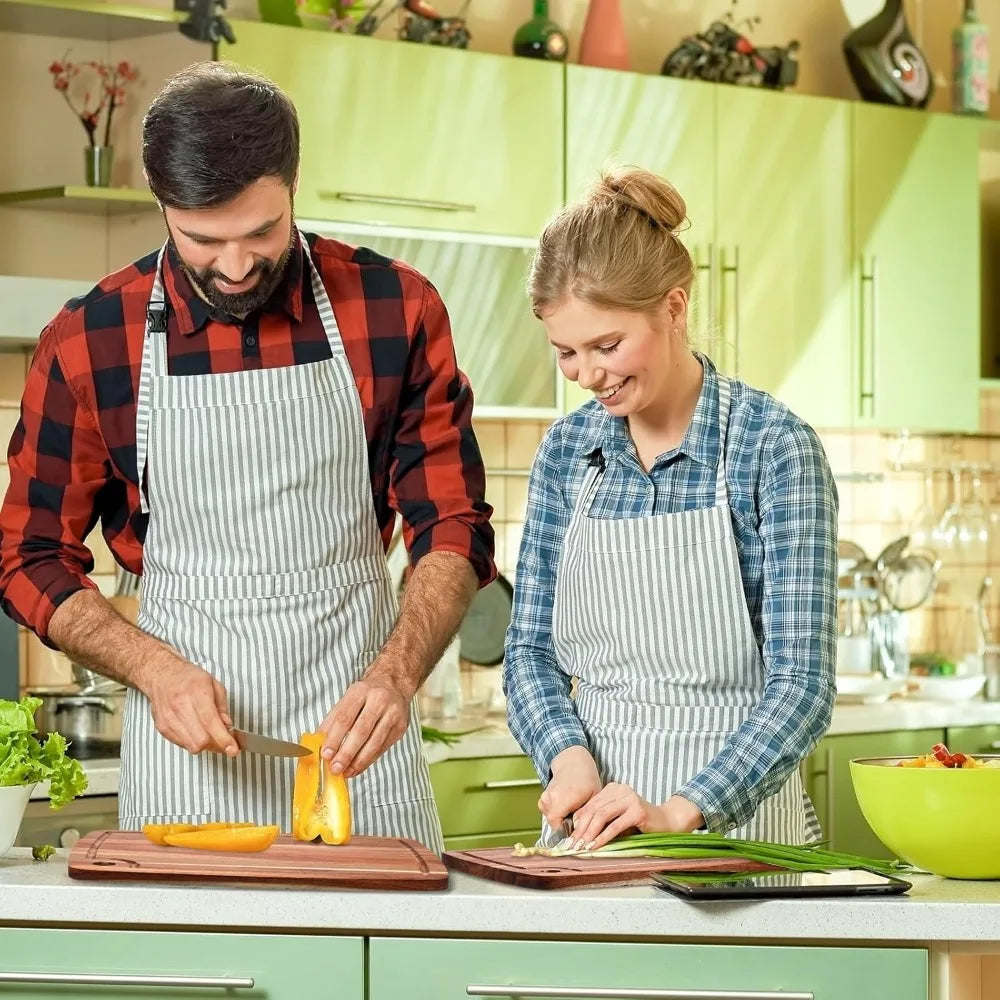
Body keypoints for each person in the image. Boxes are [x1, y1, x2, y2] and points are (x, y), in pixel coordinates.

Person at [0, 62, 496, 854]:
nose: (234, 267)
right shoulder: (93, 337)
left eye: (262, 233)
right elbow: (27, 556)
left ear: (294, 188)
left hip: (360, 739)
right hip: (188, 759)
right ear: (163, 207)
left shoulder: (394, 307)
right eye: (202, 240)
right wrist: (152, 669)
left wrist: (397, 674)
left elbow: (454, 521)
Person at [502, 166, 837, 851]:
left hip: (738, 840)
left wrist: (683, 811)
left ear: (674, 309)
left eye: (607, 345)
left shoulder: (772, 449)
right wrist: (568, 760)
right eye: (566, 351)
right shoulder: (566, 455)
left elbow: (802, 685)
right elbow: (530, 653)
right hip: (591, 834)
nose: (588, 375)